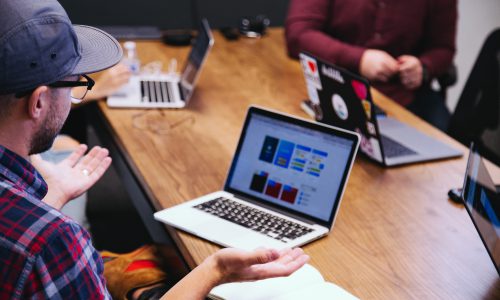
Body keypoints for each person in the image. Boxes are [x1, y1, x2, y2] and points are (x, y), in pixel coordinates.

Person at [0, 0, 309, 299]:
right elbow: (34, 244)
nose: (74, 97)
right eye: (75, 84)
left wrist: (52, 197)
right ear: (38, 102)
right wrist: (215, 269)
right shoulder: (54, 244)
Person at [285, 0, 457, 131]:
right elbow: (299, 34)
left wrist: (424, 67)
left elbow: (443, 48)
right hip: (329, 83)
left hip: (403, 99)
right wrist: (359, 59)